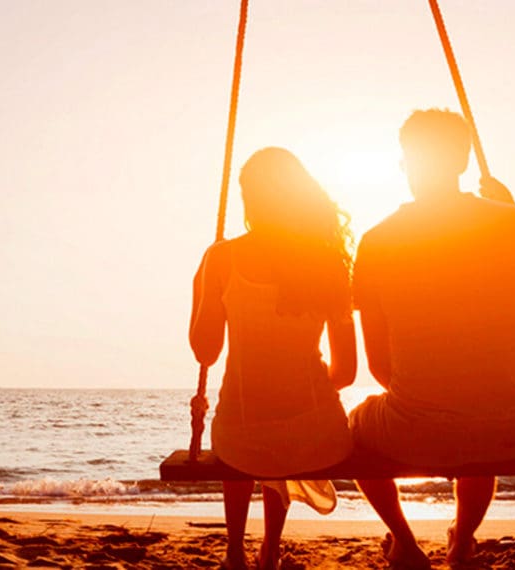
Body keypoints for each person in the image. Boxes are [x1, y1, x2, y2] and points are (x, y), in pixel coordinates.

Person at [349, 109, 515, 569]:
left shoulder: (377, 241)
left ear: (405, 163)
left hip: (417, 429)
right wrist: (514, 216)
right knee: (482, 416)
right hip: (509, 433)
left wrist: (431, 399)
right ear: (465, 159)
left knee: (354, 430)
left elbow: (378, 368)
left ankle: (405, 543)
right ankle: (461, 541)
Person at [189, 147, 356, 570]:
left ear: (249, 198)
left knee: (246, 432)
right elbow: (347, 371)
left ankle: (234, 553)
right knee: (281, 428)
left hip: (242, 434)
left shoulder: (222, 259)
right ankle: (271, 549)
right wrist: (304, 392)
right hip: (319, 435)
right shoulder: (327, 260)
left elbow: (205, 350)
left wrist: (201, 285)